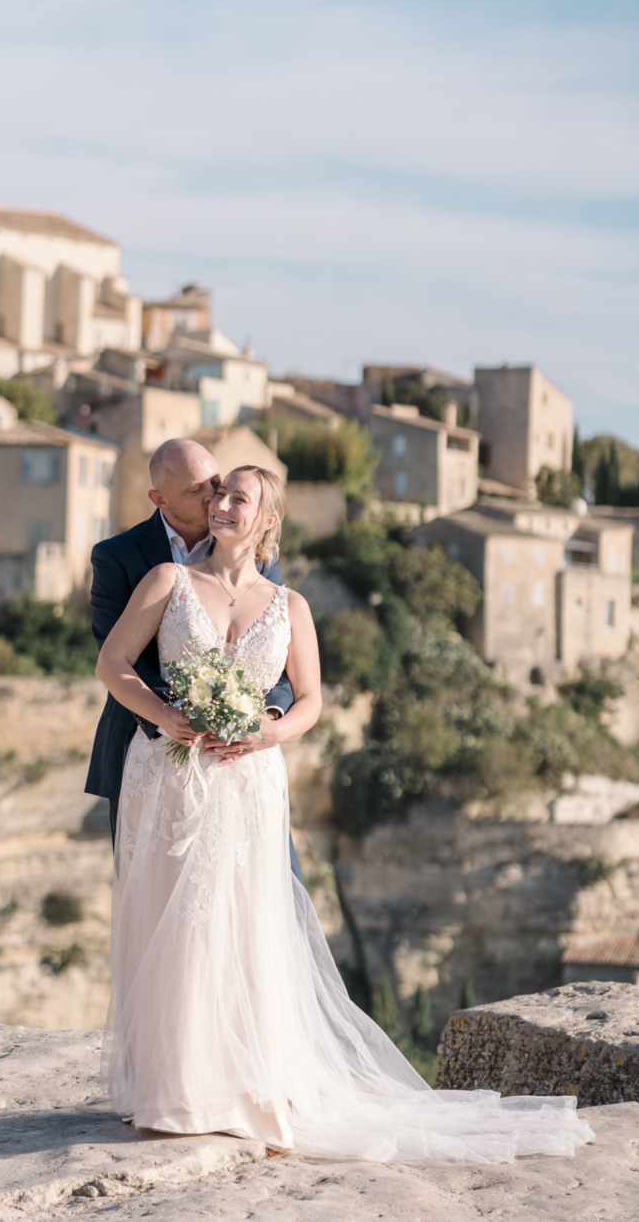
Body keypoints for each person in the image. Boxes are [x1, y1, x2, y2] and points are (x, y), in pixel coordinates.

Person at [94, 464, 594, 1162]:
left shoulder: (289, 605)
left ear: (267, 517)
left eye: (239, 496)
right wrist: (166, 716)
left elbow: (309, 701)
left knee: (243, 922)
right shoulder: (165, 583)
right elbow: (113, 665)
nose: (220, 503)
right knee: (174, 920)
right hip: (173, 776)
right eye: (216, 493)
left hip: (249, 781)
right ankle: (174, 1090)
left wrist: (264, 731)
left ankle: (245, 1085)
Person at [85, 438, 293, 850]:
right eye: (195, 491)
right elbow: (120, 656)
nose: (213, 500)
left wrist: (259, 715)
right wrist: (184, 714)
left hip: (241, 756)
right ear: (159, 499)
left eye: (214, 484)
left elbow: (275, 648)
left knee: (270, 892)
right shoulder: (117, 556)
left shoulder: (255, 552)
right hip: (144, 747)